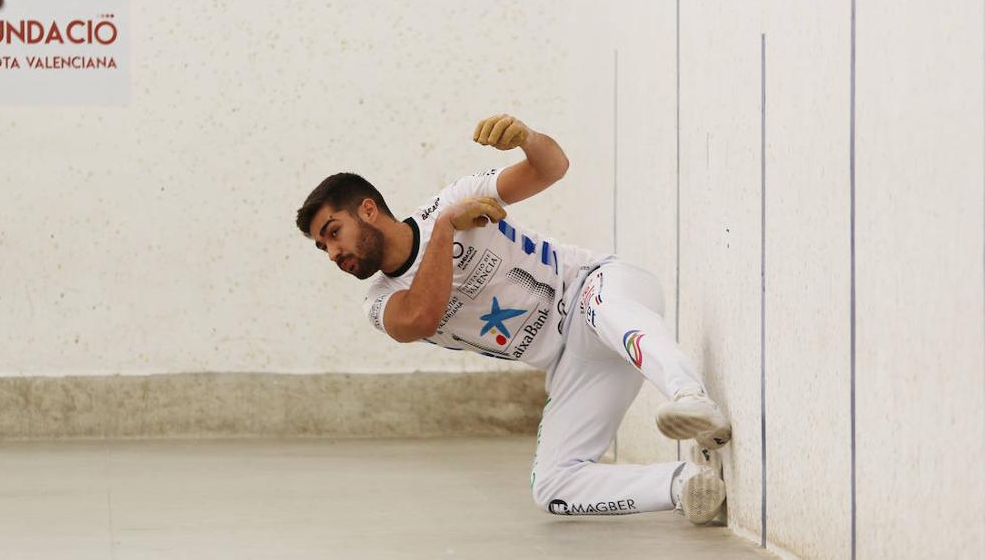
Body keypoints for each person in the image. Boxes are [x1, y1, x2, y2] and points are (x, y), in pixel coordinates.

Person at [295, 113, 733, 524]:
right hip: (573, 362)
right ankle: (684, 484)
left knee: (606, 309)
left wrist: (525, 138)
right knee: (554, 486)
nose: (334, 253)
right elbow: (422, 317)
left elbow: (551, 167)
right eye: (322, 247)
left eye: (334, 233)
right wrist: (447, 229)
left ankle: (690, 396)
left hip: (595, 286)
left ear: (368, 210)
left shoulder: (454, 198)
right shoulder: (379, 303)